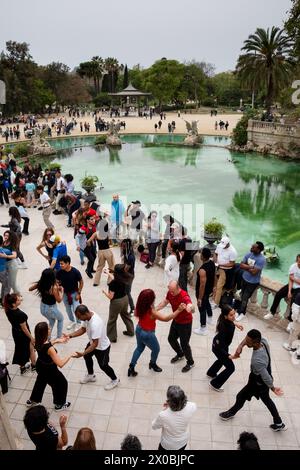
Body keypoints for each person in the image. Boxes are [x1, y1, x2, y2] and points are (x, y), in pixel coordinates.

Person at [219, 329, 286, 432]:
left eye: (248, 341)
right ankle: (278, 423)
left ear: (255, 342)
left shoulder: (257, 360)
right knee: (267, 400)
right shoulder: (263, 341)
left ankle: (231, 413)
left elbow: (266, 376)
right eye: (246, 338)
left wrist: (273, 388)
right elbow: (246, 341)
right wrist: (241, 346)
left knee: (241, 396)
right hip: (259, 381)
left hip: (258, 382)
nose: (246, 341)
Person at [128, 289, 184, 377]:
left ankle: (131, 367)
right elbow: (166, 318)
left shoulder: (140, 307)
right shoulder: (152, 312)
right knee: (156, 349)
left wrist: (161, 305)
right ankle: (152, 364)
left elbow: (154, 310)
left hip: (139, 329)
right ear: (150, 300)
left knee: (139, 348)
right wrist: (179, 310)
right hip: (148, 334)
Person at [64, 304, 120, 390]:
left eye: (79, 317)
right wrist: (70, 336)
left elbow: (95, 344)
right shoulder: (88, 316)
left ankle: (115, 380)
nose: (78, 319)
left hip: (102, 347)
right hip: (93, 342)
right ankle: (91, 376)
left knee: (103, 366)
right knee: (87, 356)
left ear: (85, 313)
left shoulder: (95, 324)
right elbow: (83, 329)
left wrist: (82, 353)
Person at [27, 322, 73, 410]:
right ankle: (59, 404)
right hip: (50, 369)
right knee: (61, 383)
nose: (50, 329)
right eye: (48, 329)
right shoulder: (50, 349)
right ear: (44, 333)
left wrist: (57, 340)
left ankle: (33, 400)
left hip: (40, 365)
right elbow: (60, 364)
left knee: (40, 382)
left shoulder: (35, 340)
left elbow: (45, 344)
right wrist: (70, 355)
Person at [157, 281, 195, 373]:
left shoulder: (184, 296)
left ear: (178, 288)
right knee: (171, 339)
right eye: (170, 290)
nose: (171, 293)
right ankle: (180, 354)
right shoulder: (170, 292)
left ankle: (190, 362)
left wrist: (190, 308)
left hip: (185, 323)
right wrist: (155, 309)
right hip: (176, 320)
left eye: (173, 291)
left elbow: (192, 307)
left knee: (184, 344)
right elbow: (165, 301)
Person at [207, 305, 243, 391]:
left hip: (219, 345)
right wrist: (228, 355)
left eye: (234, 314)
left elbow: (230, 322)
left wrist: (235, 324)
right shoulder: (224, 328)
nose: (234, 316)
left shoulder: (226, 321)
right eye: (231, 315)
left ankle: (211, 373)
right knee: (231, 368)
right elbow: (220, 346)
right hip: (219, 347)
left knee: (220, 360)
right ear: (225, 316)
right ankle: (215, 384)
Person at [152, 385, 196, 450]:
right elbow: (186, 405)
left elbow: (154, 426)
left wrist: (165, 409)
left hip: (168, 444)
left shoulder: (163, 415)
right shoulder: (192, 406)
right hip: (183, 441)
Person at [4, 293, 36, 374]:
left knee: (19, 349)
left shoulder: (7, 309)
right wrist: (31, 338)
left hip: (15, 332)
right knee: (31, 348)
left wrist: (18, 298)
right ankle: (34, 366)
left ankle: (22, 367)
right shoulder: (20, 314)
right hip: (23, 334)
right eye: (18, 300)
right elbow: (24, 329)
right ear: (14, 304)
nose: (20, 300)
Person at [264, 254, 300, 323]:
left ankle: (291, 321)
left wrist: (293, 278)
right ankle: (272, 312)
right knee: (278, 294)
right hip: (291, 285)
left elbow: (292, 278)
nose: (299, 263)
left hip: (299, 288)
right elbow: (290, 279)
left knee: (294, 301)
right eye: (298, 261)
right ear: (296, 260)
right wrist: (289, 291)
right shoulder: (293, 266)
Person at [29, 269, 64, 339]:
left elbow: (30, 289)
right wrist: (62, 291)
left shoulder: (41, 283)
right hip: (51, 308)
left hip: (42, 307)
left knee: (52, 321)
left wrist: (39, 285)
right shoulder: (53, 287)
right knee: (61, 319)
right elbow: (59, 300)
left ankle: (47, 337)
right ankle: (59, 337)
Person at [103, 264, 135, 342]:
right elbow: (115, 278)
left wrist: (104, 292)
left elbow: (111, 297)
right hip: (125, 299)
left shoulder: (112, 284)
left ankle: (112, 337)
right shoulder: (124, 278)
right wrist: (108, 273)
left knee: (112, 319)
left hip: (116, 302)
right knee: (125, 315)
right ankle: (131, 331)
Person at [236, 242, 266, 321]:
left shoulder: (261, 259)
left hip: (253, 282)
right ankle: (240, 310)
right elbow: (241, 265)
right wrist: (251, 267)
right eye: (252, 246)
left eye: (254, 247)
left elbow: (254, 272)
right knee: (242, 295)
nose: (251, 247)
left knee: (245, 297)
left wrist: (246, 267)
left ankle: (242, 313)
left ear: (258, 249)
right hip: (244, 278)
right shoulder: (249, 254)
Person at [56, 256, 83, 330]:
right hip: (65, 294)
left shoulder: (75, 271)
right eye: (60, 264)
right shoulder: (59, 272)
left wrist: (79, 293)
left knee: (76, 309)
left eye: (62, 264)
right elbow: (57, 281)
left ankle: (78, 322)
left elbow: (81, 282)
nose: (60, 265)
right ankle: (72, 321)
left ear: (67, 263)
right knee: (68, 309)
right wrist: (58, 286)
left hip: (74, 293)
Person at [194, 247, 216, 336]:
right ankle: (210, 318)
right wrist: (214, 286)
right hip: (209, 289)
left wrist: (199, 298)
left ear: (202, 256)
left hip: (203, 292)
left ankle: (203, 328)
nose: (200, 255)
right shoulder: (212, 263)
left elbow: (202, 285)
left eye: (201, 254)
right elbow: (215, 276)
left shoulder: (202, 270)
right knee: (207, 303)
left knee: (202, 308)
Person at [89, 214, 115, 286]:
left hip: (100, 252)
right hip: (107, 251)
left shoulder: (96, 234)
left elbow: (88, 241)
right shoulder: (107, 233)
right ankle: (109, 281)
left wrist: (91, 244)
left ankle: (96, 282)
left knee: (100, 267)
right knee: (111, 266)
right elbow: (111, 242)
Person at [213, 236, 237, 308]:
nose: (222, 247)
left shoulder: (233, 251)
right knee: (215, 284)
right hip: (218, 267)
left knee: (219, 286)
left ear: (228, 244)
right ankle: (214, 297)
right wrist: (215, 261)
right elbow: (215, 254)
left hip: (225, 270)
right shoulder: (219, 246)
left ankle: (216, 303)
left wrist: (221, 265)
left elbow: (232, 263)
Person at [121, 238, 135, 314]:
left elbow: (126, 269)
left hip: (129, 276)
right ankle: (124, 305)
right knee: (124, 291)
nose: (122, 247)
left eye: (123, 246)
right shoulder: (126, 252)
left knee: (127, 292)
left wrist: (118, 272)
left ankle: (133, 308)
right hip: (126, 275)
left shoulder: (131, 257)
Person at [0, 235, 12, 302]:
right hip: (2, 271)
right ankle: (4, 302)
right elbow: (13, 255)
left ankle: (2, 299)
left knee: (4, 285)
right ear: (2, 242)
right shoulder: (5, 251)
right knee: (7, 285)